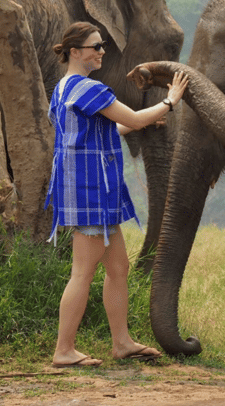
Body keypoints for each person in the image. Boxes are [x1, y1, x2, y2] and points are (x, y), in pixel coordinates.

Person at [46, 21, 187, 367]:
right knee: (83, 271)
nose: (102, 52)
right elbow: (135, 119)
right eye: (96, 47)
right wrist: (170, 100)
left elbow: (104, 129)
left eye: (102, 46)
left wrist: (146, 119)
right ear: (75, 52)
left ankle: (121, 342)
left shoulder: (64, 89)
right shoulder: (88, 89)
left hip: (93, 188)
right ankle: (64, 350)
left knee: (119, 267)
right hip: (91, 189)